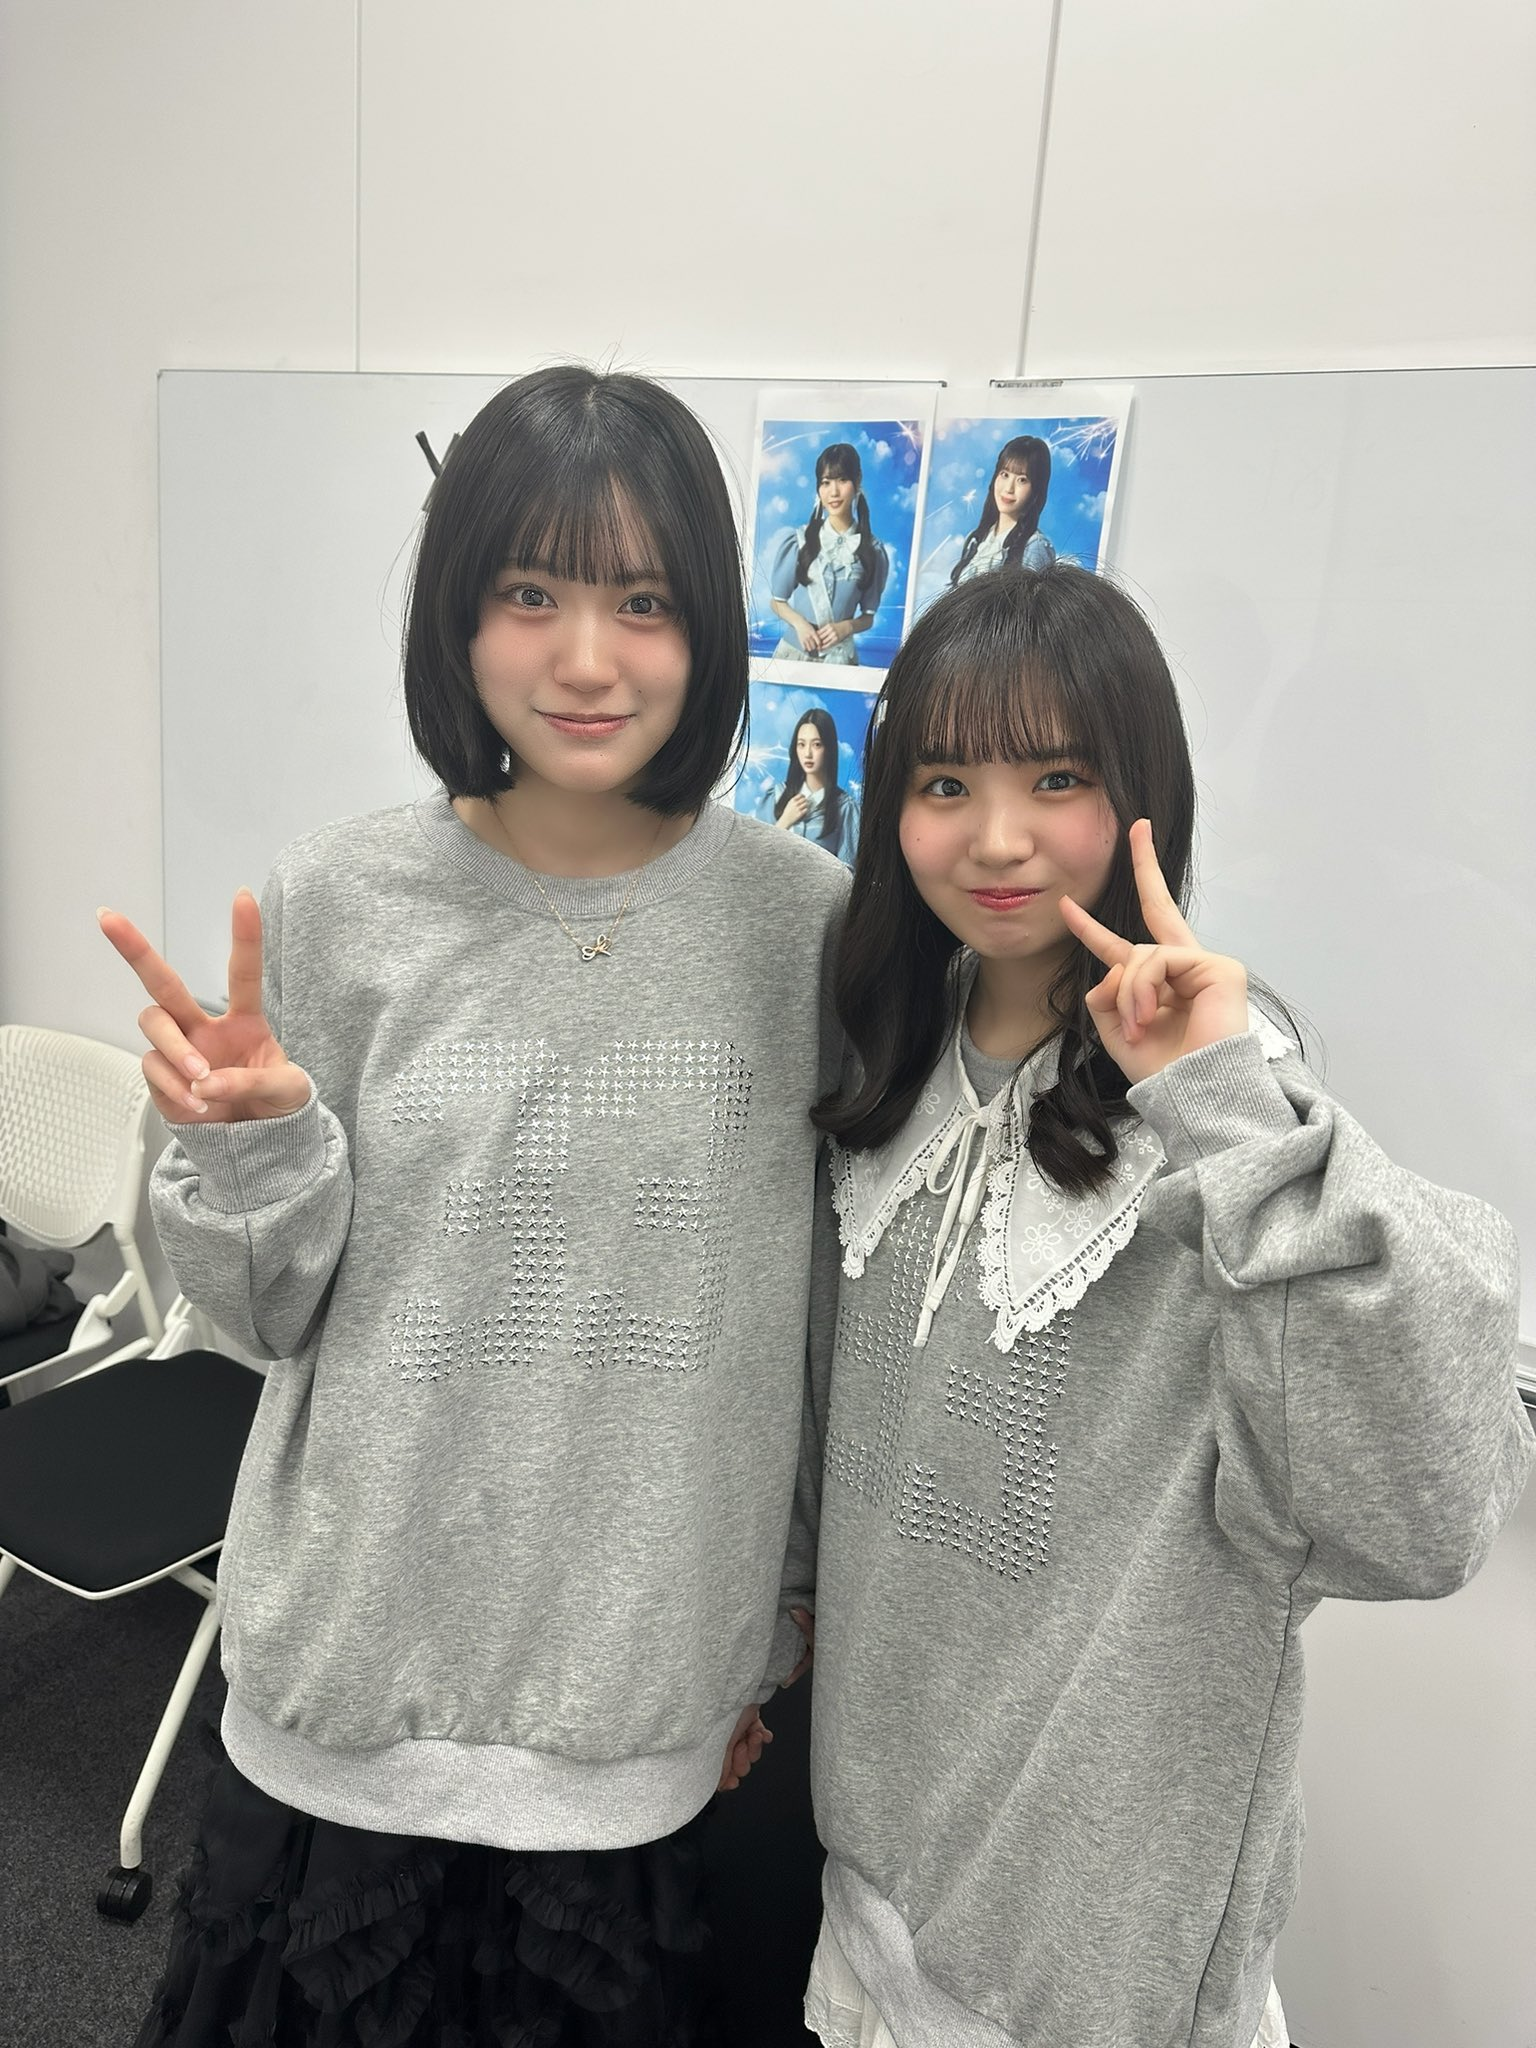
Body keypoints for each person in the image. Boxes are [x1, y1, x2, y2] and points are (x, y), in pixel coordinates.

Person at [100, 365, 844, 2047]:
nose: (585, 659)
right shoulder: (337, 898)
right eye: (530, 593)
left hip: (629, 1714)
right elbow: (256, 1315)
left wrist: (778, 1624)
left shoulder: (802, 925)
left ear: (707, 626)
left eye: (642, 601)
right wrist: (249, 1154)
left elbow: (812, 1324)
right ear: (457, 614)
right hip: (349, 1694)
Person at [799, 566, 1532, 2048]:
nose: (998, 837)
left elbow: (1417, 1515)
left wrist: (1224, 1107)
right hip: (872, 1902)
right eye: (945, 783)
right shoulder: (884, 1065)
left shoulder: (1233, 1104)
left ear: (1143, 794)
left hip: (1096, 1965)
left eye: (1057, 778)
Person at [769, 443, 889, 665]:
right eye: (825, 482)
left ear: (857, 481)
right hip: (794, 655)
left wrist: (847, 627)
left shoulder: (873, 550)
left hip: (840, 661)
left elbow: (868, 617)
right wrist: (800, 624)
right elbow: (777, 602)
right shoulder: (799, 541)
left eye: (842, 480)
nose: (833, 492)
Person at [949, 434, 1056, 588]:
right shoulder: (976, 539)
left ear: (1036, 489)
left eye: (1022, 480)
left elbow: (1035, 603)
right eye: (1005, 475)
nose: (1009, 488)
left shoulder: (1035, 547)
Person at [769, 706, 861, 865]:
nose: (808, 754)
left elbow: (847, 872)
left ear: (829, 748)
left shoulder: (845, 809)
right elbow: (757, 858)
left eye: (817, 744)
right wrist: (784, 821)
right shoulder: (777, 796)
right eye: (801, 744)